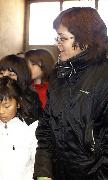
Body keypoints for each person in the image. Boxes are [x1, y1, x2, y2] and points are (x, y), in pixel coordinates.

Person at [34, 7, 108, 180]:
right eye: (57, 37)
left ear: (86, 39)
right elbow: (46, 129)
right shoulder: (59, 76)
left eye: (63, 38)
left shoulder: (104, 78)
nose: (57, 43)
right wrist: (43, 172)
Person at [0, 77, 37, 180]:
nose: (1, 111)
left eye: (7, 106)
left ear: (18, 102)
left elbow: (36, 164)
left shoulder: (31, 127)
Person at [0, 54, 43, 125]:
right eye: (1, 73)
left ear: (22, 77)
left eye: (11, 74)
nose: (4, 77)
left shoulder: (31, 99)